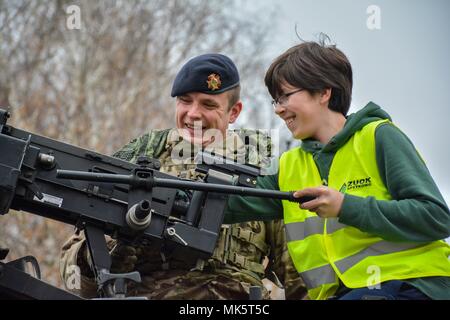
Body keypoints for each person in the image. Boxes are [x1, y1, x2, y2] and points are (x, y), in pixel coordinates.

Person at [60, 53, 306, 300]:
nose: (193, 114)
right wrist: (104, 250)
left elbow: (299, 275)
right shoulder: (141, 158)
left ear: (234, 112)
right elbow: (73, 276)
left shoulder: (263, 170)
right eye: (185, 101)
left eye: (208, 105)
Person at [224, 38, 450, 300]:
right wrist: (171, 191)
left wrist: (346, 207)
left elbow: (436, 217)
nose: (278, 109)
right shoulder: (288, 166)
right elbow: (231, 202)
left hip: (413, 286)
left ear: (323, 92)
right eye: (275, 100)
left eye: (285, 96)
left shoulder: (378, 136)